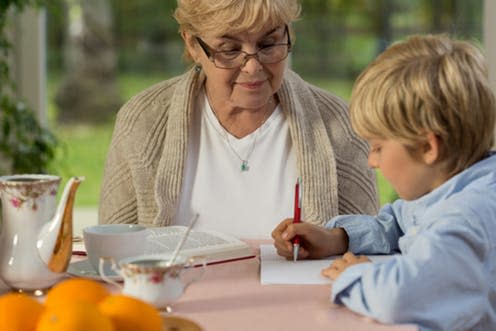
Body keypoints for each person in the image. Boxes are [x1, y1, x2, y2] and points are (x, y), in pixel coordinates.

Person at [99, 0, 378, 238]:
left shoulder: (337, 123)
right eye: (230, 50)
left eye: (268, 44)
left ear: (289, 34)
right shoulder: (143, 120)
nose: (253, 66)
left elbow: (368, 246)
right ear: (193, 44)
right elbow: (110, 253)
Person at [272, 34, 496, 330]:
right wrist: (338, 238)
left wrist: (358, 274)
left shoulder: (466, 216)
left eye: (377, 147)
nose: (371, 162)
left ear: (429, 147)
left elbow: (399, 298)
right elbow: (401, 222)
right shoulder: (460, 183)